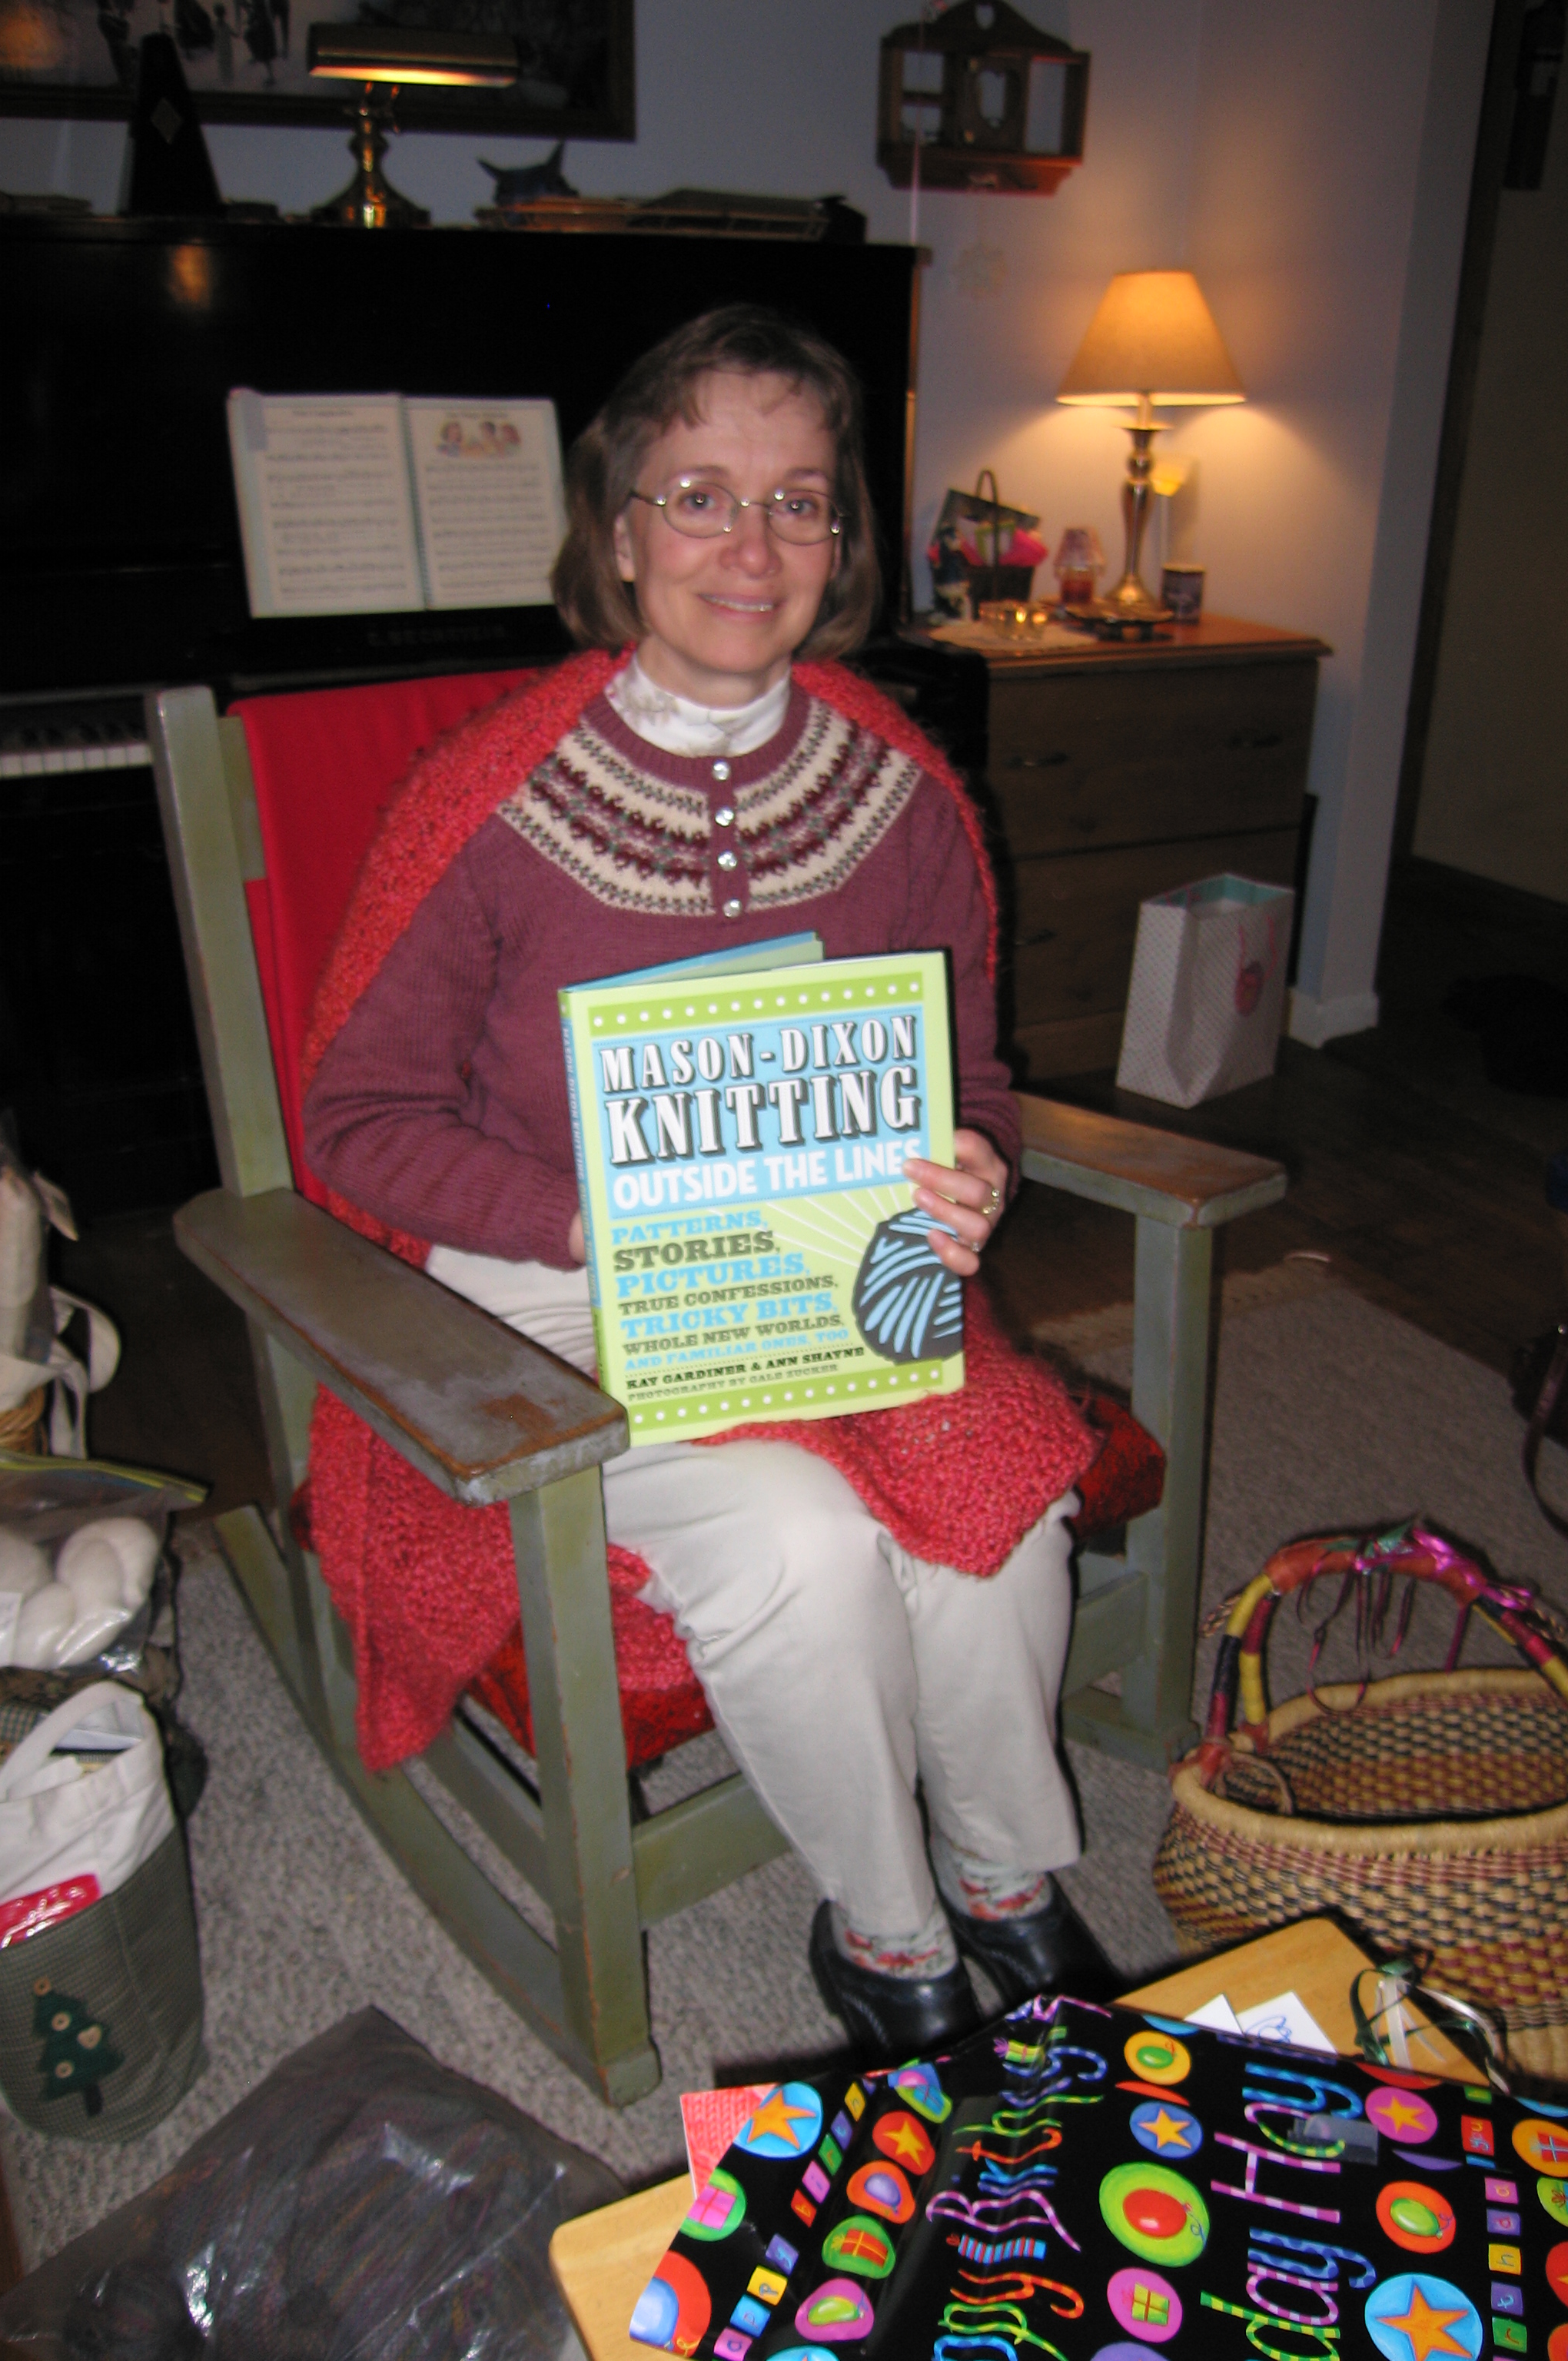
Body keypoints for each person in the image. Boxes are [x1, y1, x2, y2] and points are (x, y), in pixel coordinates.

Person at [302, 305, 1112, 2059]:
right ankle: (888, 1940)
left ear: (841, 542)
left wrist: (974, 1163)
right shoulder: (489, 800)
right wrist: (589, 1218)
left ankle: (1002, 1880)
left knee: (1001, 1489)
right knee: (800, 1540)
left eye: (798, 501)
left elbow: (969, 1068)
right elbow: (353, 1123)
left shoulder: (902, 790)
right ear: (619, 534)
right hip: (557, 1288)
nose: (751, 546)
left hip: (833, 1270)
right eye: (699, 496)